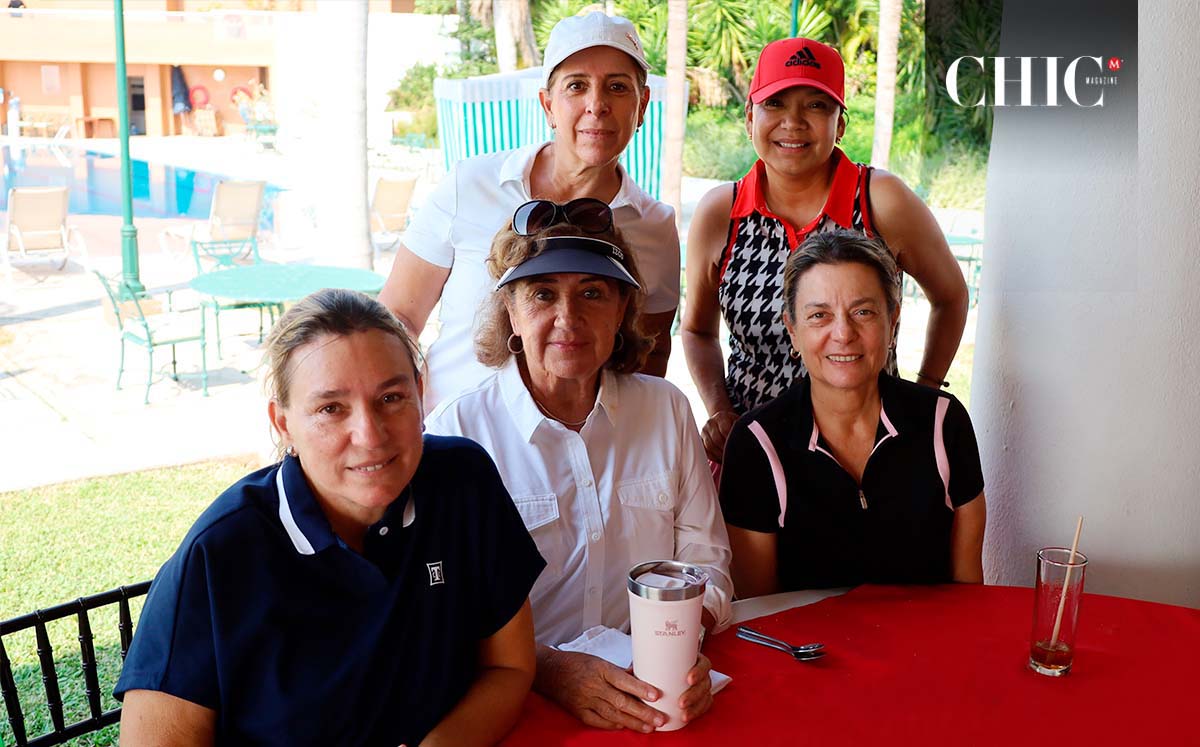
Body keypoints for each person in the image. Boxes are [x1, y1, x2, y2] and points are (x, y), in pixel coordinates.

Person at [115, 290, 545, 747]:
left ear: (421, 393)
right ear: (283, 425)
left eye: (391, 397)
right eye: (330, 409)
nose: (370, 435)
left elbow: (508, 666)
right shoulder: (220, 554)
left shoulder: (463, 482)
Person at [425, 210, 733, 734]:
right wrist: (545, 668)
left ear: (621, 313)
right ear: (511, 316)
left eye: (593, 293)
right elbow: (440, 606)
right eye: (542, 294)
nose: (567, 318)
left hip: (658, 693)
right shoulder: (457, 433)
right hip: (519, 704)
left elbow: (707, 559)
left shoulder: (667, 410)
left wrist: (678, 643)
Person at [682, 37, 970, 463]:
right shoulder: (721, 213)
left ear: (840, 125)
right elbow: (697, 331)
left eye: (816, 105)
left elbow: (950, 296)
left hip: (869, 449)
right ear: (749, 118)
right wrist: (719, 409)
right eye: (775, 104)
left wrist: (923, 394)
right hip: (755, 454)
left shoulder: (880, 201)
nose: (793, 122)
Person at [379, 11, 679, 412]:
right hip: (450, 448)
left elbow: (649, 356)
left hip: (577, 458)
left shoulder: (654, 225)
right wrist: (405, 411)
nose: (597, 104)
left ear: (641, 107)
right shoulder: (470, 185)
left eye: (617, 87)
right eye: (577, 86)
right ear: (548, 104)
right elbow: (397, 316)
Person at [718, 229, 986, 598]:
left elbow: (968, 597)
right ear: (792, 330)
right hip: (806, 653)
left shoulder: (944, 423)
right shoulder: (757, 443)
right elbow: (759, 611)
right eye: (819, 316)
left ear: (892, 323)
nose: (843, 333)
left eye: (863, 312)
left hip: (926, 648)